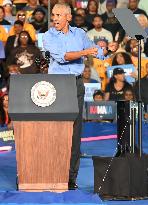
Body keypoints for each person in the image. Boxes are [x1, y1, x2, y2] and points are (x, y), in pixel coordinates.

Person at [43, 3, 115, 190]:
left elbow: (97, 52)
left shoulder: (80, 34)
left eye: (59, 14)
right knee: (57, 131)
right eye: (53, 15)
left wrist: (109, 49)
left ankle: (70, 178)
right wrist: (86, 52)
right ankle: (52, 173)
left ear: (68, 17)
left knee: (75, 133)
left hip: (75, 84)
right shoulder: (49, 35)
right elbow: (62, 57)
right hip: (57, 85)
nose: (55, 18)